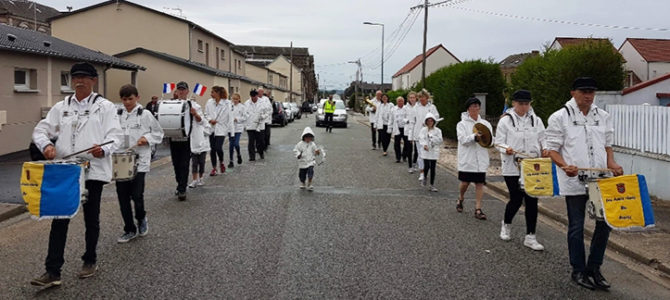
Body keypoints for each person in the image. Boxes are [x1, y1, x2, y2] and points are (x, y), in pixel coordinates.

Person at [30, 62, 122, 286]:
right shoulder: (62, 107)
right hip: (66, 170)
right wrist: (46, 147)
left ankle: (90, 259)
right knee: (59, 219)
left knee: (91, 218)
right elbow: (40, 130)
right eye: (75, 77)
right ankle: (53, 271)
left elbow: (116, 136)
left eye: (84, 77)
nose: (79, 81)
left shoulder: (106, 107)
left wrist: (104, 149)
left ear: (94, 80)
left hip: (93, 170)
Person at [546, 77, 623, 290]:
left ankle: (594, 268)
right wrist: (563, 165)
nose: (588, 96)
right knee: (577, 226)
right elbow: (551, 148)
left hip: (600, 179)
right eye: (584, 91)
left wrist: (612, 163)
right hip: (575, 180)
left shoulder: (603, 116)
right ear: (573, 92)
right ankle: (578, 270)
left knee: (605, 224)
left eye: (591, 92)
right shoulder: (559, 117)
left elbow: (607, 145)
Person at [494, 90, 546, 251]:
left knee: (532, 200)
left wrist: (545, 149)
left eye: (526, 104)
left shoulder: (536, 121)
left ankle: (530, 236)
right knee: (516, 199)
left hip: (532, 166)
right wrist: (506, 148)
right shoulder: (506, 121)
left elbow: (543, 138)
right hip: (512, 165)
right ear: (514, 104)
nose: (524, 107)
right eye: (520, 103)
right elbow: (498, 142)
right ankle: (506, 224)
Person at [115, 84, 164, 243]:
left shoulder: (146, 114)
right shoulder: (118, 114)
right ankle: (129, 229)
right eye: (124, 99)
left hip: (140, 160)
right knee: (123, 198)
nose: (127, 102)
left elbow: (158, 133)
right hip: (121, 160)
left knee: (137, 195)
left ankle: (141, 218)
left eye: (130, 98)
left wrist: (147, 139)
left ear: (137, 97)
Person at [456, 97, 492, 220]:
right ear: (468, 109)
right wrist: (474, 137)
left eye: (477, 106)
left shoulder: (485, 124)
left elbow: (490, 139)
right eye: (473, 106)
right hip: (468, 158)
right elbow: (462, 140)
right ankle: (461, 198)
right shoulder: (461, 124)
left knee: (479, 184)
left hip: (480, 159)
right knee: (465, 183)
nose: (475, 108)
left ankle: (478, 208)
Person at [169, 82, 197, 201]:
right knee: (176, 164)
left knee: (184, 164)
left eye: (183, 89)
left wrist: (195, 114)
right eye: (179, 89)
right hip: (173, 138)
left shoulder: (192, 104)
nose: (181, 91)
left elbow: (200, 121)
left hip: (186, 139)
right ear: (176, 91)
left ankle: (182, 189)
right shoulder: (171, 104)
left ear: (187, 91)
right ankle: (180, 183)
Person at [410, 89, 439, 183]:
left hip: (430, 135)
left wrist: (431, 125)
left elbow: (437, 118)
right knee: (420, 154)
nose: (422, 99)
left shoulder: (432, 107)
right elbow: (412, 122)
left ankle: (427, 170)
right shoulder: (415, 108)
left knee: (429, 154)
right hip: (418, 134)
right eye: (420, 98)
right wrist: (411, 136)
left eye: (423, 97)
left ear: (427, 98)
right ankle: (422, 173)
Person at [205, 86, 234, 176]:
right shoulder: (209, 102)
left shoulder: (227, 103)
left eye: (213, 92)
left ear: (218, 93)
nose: (211, 94)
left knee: (218, 147)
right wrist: (210, 120)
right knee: (212, 150)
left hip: (221, 128)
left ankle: (221, 162)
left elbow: (230, 117)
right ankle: (214, 168)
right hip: (212, 128)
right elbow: (206, 113)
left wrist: (231, 131)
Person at [188, 98, 211, 188]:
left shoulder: (203, 120)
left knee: (201, 163)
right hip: (194, 145)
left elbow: (207, 128)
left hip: (203, 146)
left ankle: (201, 178)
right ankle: (194, 180)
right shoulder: (190, 123)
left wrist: (203, 132)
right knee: (194, 163)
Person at [418, 113, 443, 192]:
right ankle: (425, 176)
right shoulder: (423, 130)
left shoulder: (438, 130)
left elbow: (440, 140)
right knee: (426, 166)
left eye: (431, 121)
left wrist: (432, 138)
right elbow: (421, 138)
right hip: (426, 151)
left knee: (433, 167)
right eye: (428, 121)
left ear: (434, 121)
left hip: (434, 151)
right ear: (426, 122)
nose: (430, 122)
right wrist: (424, 145)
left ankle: (432, 185)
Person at [245, 90, 267, 161]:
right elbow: (244, 114)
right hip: (250, 125)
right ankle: (252, 157)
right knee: (251, 142)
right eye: (252, 97)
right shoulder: (247, 103)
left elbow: (267, 112)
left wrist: (263, 116)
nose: (254, 98)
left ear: (257, 96)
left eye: (255, 97)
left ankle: (261, 152)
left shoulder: (263, 103)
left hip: (259, 125)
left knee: (260, 141)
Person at [391, 96, 411, 164]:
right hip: (397, 128)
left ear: (404, 101)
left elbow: (409, 117)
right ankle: (398, 157)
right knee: (396, 143)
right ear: (397, 102)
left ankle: (404, 156)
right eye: (399, 101)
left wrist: (407, 120)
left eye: (401, 101)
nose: (400, 102)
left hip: (405, 127)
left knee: (407, 143)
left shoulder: (407, 108)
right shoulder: (393, 109)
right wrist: (390, 127)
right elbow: (391, 119)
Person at [229, 93, 246, 167]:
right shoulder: (229, 106)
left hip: (238, 128)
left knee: (236, 143)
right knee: (231, 145)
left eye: (236, 99)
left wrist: (237, 119)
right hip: (230, 128)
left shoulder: (242, 107)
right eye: (233, 99)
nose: (235, 101)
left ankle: (238, 154)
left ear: (239, 99)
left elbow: (245, 117)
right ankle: (231, 161)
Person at [405, 92, 417, 173]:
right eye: (410, 97)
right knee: (409, 149)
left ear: (416, 98)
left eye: (413, 97)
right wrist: (407, 120)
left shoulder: (418, 107)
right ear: (408, 98)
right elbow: (403, 117)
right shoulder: (406, 107)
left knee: (417, 149)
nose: (412, 99)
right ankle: (410, 166)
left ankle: (414, 163)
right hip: (408, 129)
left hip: (417, 130)